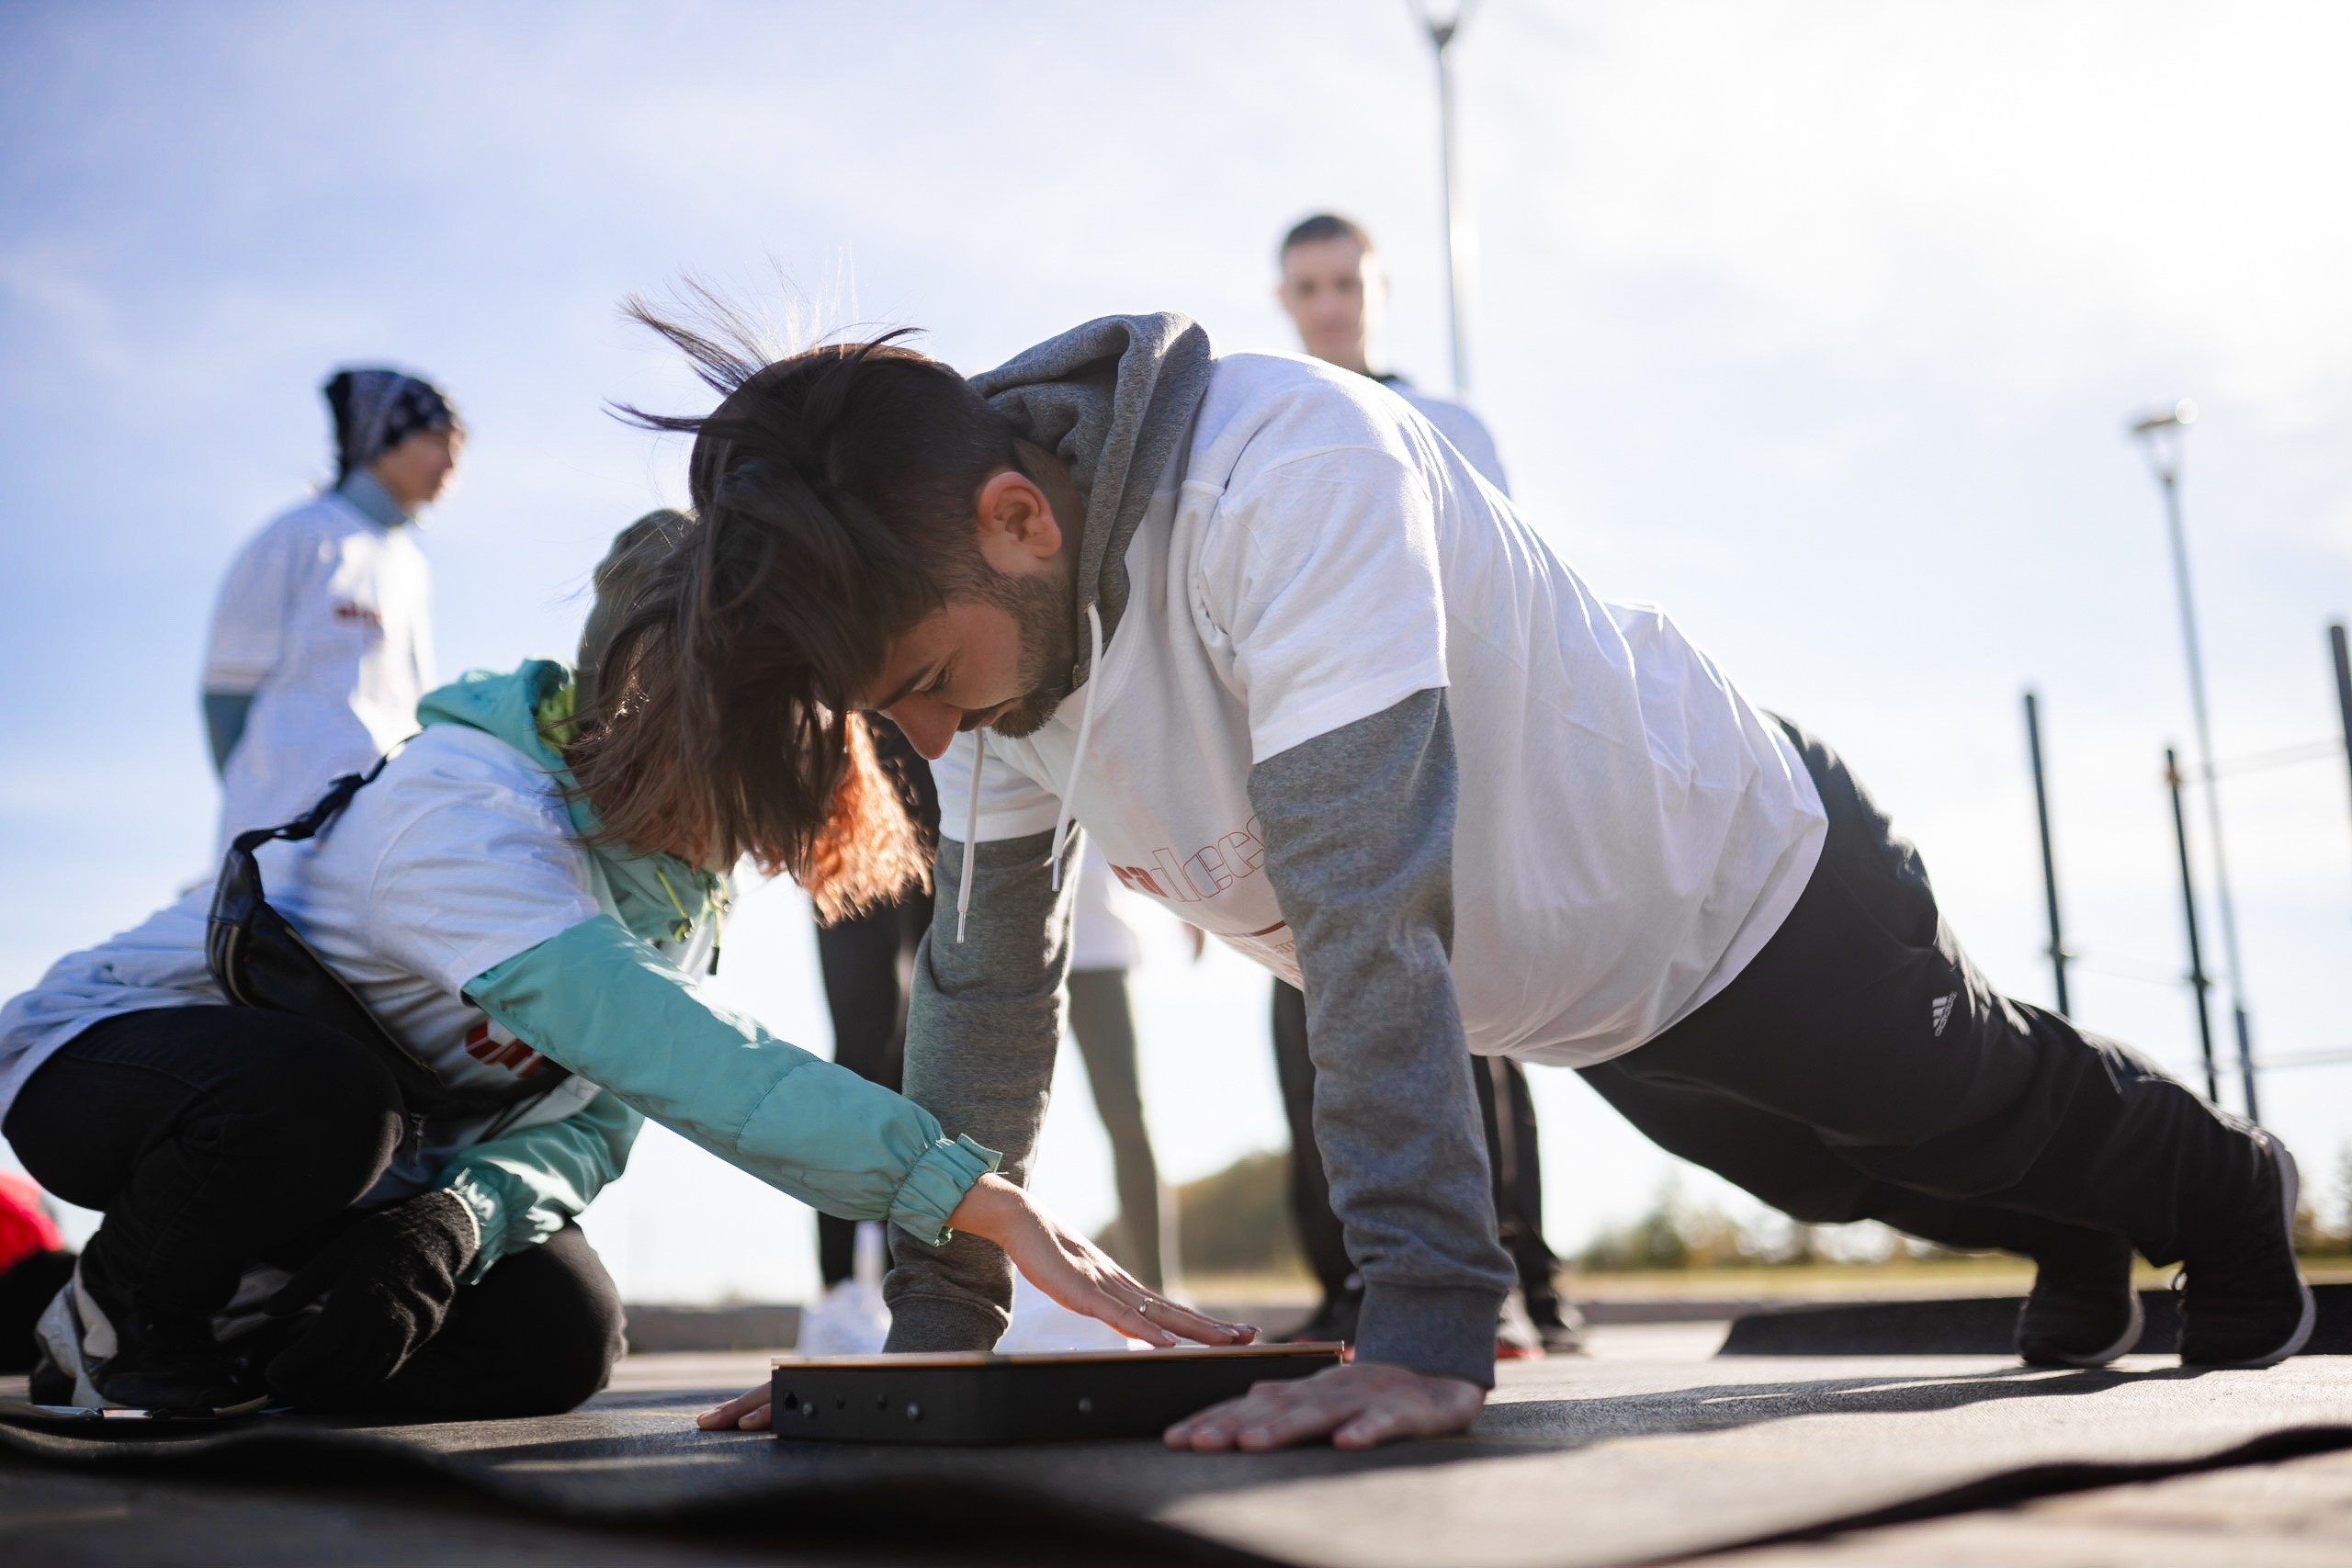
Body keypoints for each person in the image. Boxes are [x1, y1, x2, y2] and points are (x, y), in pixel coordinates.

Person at [639, 306, 2315, 1452]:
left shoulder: (1280, 472)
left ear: (1020, 517)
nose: (923, 730)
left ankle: (2223, 1187)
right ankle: (2085, 1232)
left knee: (1957, 1097)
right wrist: (927, 1352)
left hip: (1742, 864)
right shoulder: (977, 654)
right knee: (1828, 1176)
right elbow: (986, 992)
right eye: (893, 708)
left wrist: (1425, 1325)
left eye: (923, 680)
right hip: (1589, 984)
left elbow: (1369, 898)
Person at [1, 507, 1247, 1416]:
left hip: (365, 1165)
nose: (761, 834)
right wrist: (967, 1190)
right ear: (650, 721)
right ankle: (105, 1320)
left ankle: (244, 1337)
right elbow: (674, 1051)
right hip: (112, 1063)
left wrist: (453, 1221)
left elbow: (594, 1120)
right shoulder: (467, 808)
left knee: (565, 1328)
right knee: (323, 1106)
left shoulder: (677, 892)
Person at [1272, 211, 1571, 1354]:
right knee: (1304, 1013)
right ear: (1286, 298)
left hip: (1439, 750)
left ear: (1376, 290)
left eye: (1346, 281)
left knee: (1476, 1021)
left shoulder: (1447, 425)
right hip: (1308, 762)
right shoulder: (1273, 428)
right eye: (1308, 285)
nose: (1330, 302)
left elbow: (1502, 587)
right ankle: (1349, 1279)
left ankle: (1521, 1276)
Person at [202, 368, 461, 855]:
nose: (450, 462)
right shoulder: (299, 536)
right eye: (434, 440)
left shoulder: (410, 563)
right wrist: (264, 792)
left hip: (382, 833)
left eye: (457, 447)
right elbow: (225, 698)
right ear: (382, 440)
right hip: (279, 837)